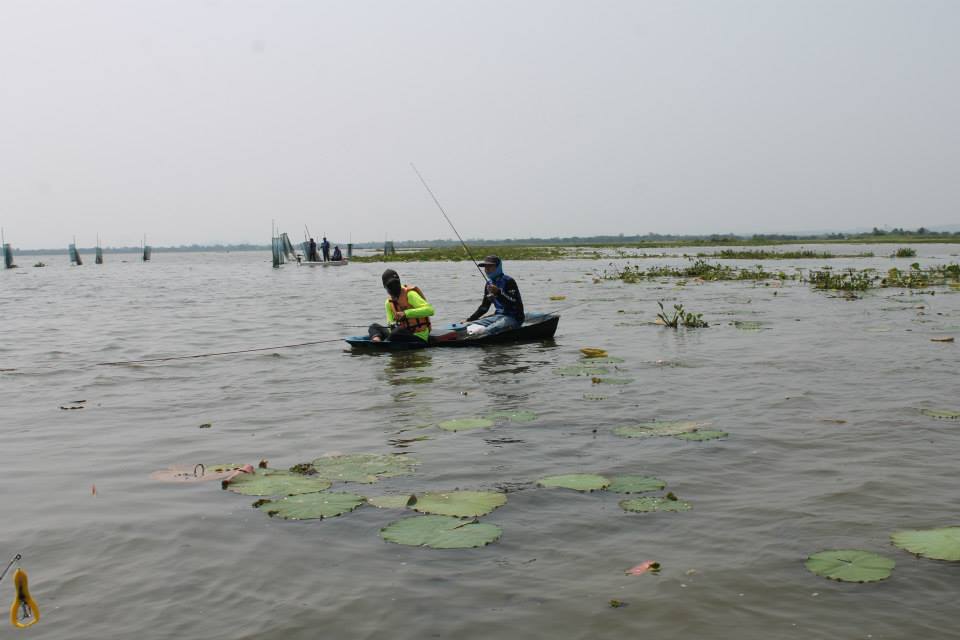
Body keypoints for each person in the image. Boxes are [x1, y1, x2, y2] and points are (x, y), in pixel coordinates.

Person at [368, 269, 434, 343]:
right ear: (385, 286)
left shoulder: (410, 294)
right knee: (374, 326)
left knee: (397, 332)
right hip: (399, 334)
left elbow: (430, 310)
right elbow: (390, 322)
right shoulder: (388, 302)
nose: (394, 287)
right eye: (390, 285)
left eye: (396, 283)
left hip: (418, 336)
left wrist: (406, 314)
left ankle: (385, 344)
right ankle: (376, 340)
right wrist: (392, 325)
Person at [465, 255, 524, 334]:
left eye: (490, 266)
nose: (487, 269)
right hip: (498, 316)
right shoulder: (489, 284)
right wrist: (469, 320)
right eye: (485, 267)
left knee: (486, 331)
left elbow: (514, 303)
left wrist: (498, 293)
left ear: (498, 267)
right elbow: (484, 307)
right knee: (468, 326)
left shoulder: (509, 281)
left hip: (514, 317)